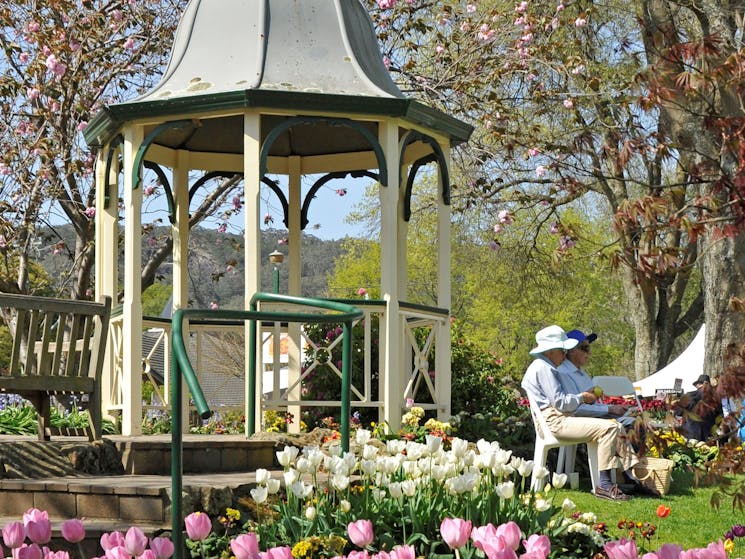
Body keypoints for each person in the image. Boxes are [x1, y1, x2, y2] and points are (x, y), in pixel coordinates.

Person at [521, 325, 642, 501]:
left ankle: (632, 478)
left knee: (614, 426)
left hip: (558, 418)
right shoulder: (544, 368)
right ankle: (606, 485)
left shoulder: (543, 366)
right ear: (550, 351)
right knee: (610, 428)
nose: (564, 354)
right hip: (555, 421)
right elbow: (561, 403)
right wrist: (582, 397)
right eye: (562, 350)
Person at [557, 329, 636, 428]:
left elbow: (591, 405)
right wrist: (609, 410)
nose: (589, 353)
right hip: (576, 425)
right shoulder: (562, 372)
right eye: (585, 348)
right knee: (634, 426)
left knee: (639, 421)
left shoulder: (583, 374)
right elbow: (574, 410)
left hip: (593, 420)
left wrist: (614, 408)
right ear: (572, 350)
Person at [680, 374, 721, 441]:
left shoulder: (688, 395)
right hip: (707, 435)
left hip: (689, 434)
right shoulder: (715, 399)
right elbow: (719, 417)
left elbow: (679, 412)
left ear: (698, 385)